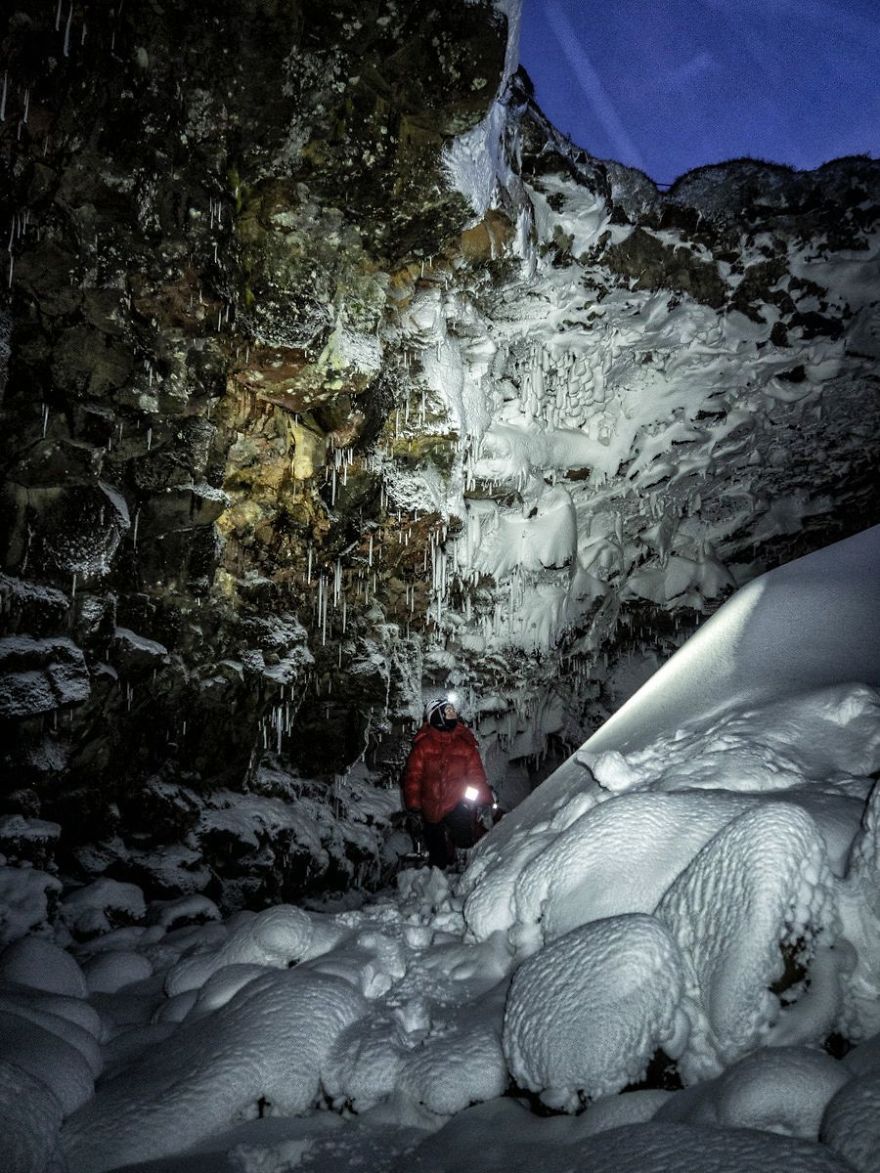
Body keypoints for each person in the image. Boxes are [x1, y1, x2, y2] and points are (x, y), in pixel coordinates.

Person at [402, 696, 494, 869]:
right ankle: (439, 873)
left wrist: (484, 799)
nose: (453, 712)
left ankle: (464, 863)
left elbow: (476, 774)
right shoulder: (423, 746)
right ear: (436, 716)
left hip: (457, 800)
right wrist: (413, 805)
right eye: (447, 710)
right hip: (431, 803)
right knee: (435, 840)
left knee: (464, 831)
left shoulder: (464, 744)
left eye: (452, 709)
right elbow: (413, 776)